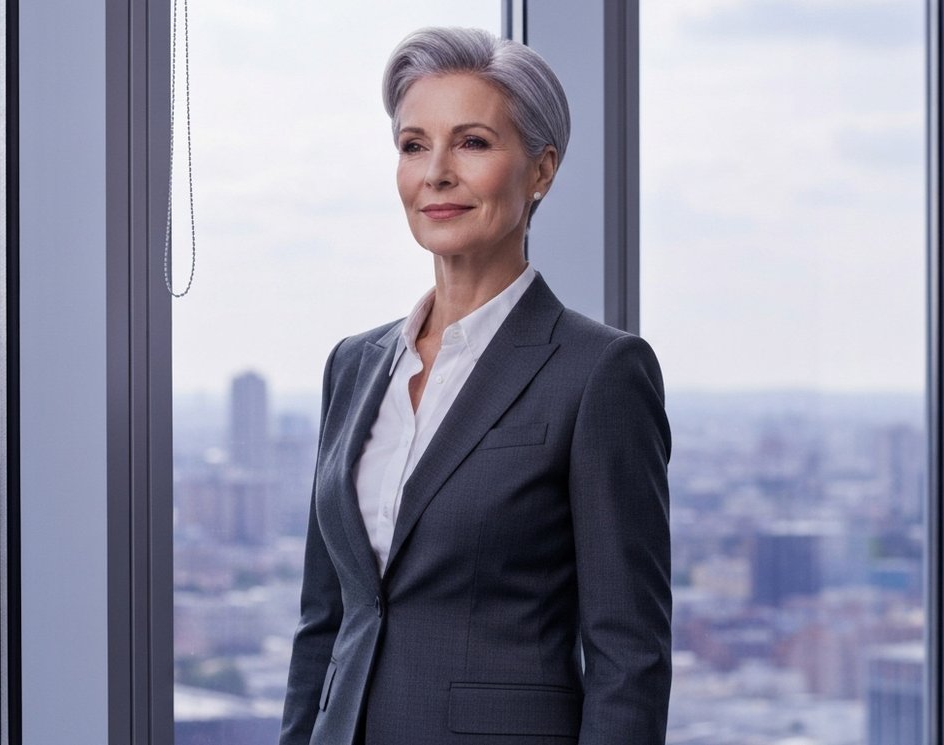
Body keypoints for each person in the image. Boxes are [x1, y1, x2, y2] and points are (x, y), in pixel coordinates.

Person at [280, 26, 671, 745]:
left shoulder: (600, 373)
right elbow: (325, 620)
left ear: (541, 171)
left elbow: (630, 655)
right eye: (413, 144)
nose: (436, 173)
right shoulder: (355, 364)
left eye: (473, 143)